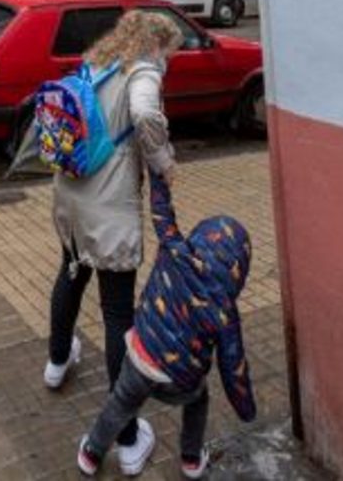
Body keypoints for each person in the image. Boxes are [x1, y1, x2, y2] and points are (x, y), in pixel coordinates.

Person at [45, 9, 183, 478]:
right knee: (118, 314)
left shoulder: (95, 61)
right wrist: (163, 160)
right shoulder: (142, 71)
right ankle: (127, 440)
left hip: (71, 195)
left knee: (70, 273)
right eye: (170, 52)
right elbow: (145, 113)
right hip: (108, 207)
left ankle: (57, 362)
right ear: (157, 43)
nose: (169, 61)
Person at [77, 172, 256, 478]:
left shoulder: (176, 249)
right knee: (199, 402)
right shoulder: (226, 311)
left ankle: (91, 453)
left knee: (119, 403)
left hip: (141, 358)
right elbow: (233, 365)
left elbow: (161, 209)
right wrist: (245, 409)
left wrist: (158, 172)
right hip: (182, 380)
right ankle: (190, 458)